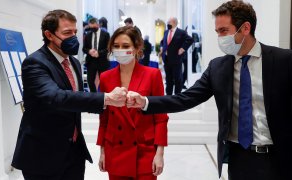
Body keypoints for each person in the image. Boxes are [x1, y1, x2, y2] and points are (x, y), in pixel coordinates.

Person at [127, 1, 292, 180]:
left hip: (278, 157)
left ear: (245, 28)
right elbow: (185, 98)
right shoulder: (218, 68)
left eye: (224, 31)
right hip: (238, 158)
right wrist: (146, 102)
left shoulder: (283, 60)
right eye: (217, 32)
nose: (220, 37)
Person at [11, 9, 127, 180]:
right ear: (49, 35)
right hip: (43, 155)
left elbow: (76, 100)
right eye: (67, 33)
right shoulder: (35, 63)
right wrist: (106, 98)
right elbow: (56, 97)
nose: (74, 37)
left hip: (73, 152)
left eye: (75, 32)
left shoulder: (73, 62)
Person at [97, 26, 168, 180]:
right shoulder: (105, 77)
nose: (120, 50)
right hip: (115, 150)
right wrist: (102, 151)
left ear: (137, 48)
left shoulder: (152, 75)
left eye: (126, 46)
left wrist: (160, 153)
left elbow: (161, 117)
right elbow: (104, 118)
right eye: (116, 46)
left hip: (144, 151)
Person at [160, 17, 193, 95]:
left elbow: (190, 40)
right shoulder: (166, 32)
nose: (167, 23)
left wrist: (183, 48)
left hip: (176, 60)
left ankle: (177, 96)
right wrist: (162, 48)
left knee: (177, 79)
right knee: (168, 79)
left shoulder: (181, 32)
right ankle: (168, 96)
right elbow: (162, 41)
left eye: (169, 22)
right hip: (166, 59)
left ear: (174, 22)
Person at [83, 17, 110, 92]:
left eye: (94, 27)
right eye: (91, 27)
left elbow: (108, 49)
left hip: (102, 61)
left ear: (98, 25)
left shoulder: (106, 34)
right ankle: (94, 96)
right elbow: (84, 48)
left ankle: (103, 97)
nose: (92, 29)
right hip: (91, 61)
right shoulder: (88, 35)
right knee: (90, 81)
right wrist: (89, 51)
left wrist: (99, 53)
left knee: (104, 81)